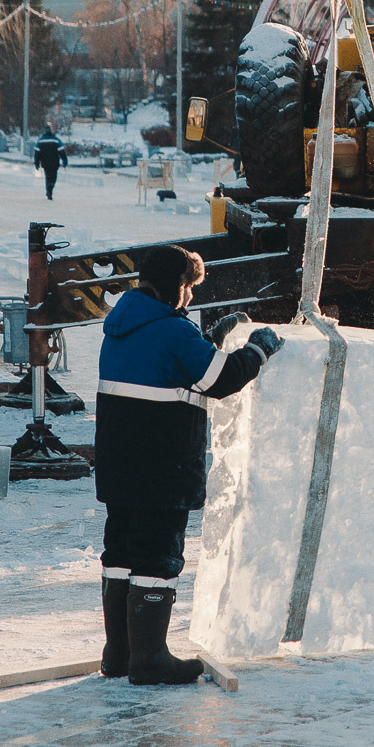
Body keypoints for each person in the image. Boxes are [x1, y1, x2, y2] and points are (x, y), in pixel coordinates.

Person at [95, 245, 283, 685]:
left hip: (120, 468)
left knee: (120, 552)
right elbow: (221, 380)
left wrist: (207, 343)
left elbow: (169, 369)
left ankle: (119, 654)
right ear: (174, 286)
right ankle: (150, 658)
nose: (191, 298)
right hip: (160, 468)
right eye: (189, 288)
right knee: (157, 556)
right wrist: (258, 350)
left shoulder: (122, 325)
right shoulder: (174, 333)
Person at [32, 124, 68, 200]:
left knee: (47, 176)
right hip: (54, 162)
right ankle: (50, 188)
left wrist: (36, 162)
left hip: (45, 162)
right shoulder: (56, 140)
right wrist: (64, 161)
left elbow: (37, 153)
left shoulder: (40, 140)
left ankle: (48, 190)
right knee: (53, 177)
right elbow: (62, 151)